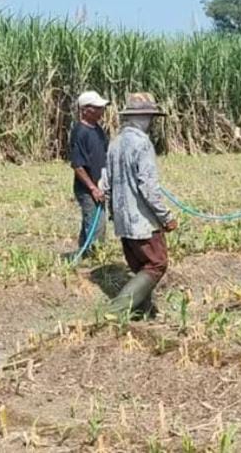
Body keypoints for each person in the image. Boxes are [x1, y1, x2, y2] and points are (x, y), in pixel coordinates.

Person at [103, 93, 178, 319]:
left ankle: (144, 311)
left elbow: (106, 183)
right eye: (150, 118)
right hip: (142, 221)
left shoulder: (114, 143)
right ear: (143, 118)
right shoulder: (142, 144)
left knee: (140, 267)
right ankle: (116, 310)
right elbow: (148, 188)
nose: (152, 123)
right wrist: (165, 217)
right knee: (156, 264)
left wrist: (113, 213)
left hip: (123, 221)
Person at [69, 90, 110, 256]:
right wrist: (93, 188)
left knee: (91, 222)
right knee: (96, 224)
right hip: (88, 189)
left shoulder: (98, 130)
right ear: (85, 110)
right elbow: (77, 165)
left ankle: (84, 253)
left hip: (99, 185)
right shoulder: (80, 132)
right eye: (97, 107)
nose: (102, 111)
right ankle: (94, 257)